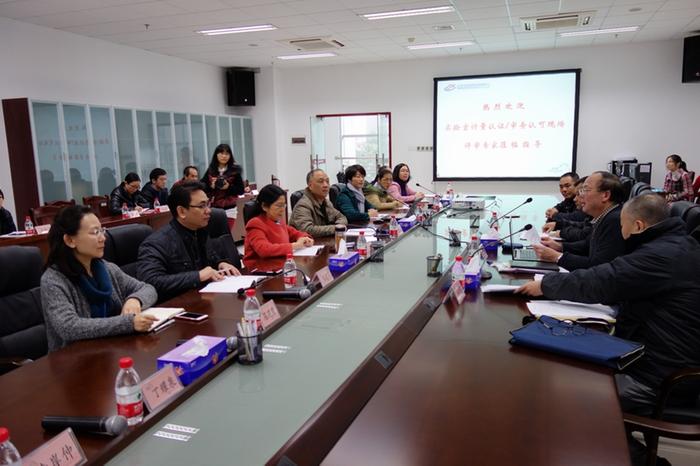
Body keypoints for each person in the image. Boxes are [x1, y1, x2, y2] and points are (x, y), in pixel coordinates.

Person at [517, 193, 700, 466]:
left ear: (638, 226)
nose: (621, 233)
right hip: (650, 356)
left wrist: (545, 285)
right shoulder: (676, 245)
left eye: (622, 226)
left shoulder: (662, 256)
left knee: (563, 402)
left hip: (660, 377)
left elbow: (604, 280)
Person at [40, 205, 158, 351]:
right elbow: (69, 327)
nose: (103, 238)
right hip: (74, 357)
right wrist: (127, 323)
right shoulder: (53, 280)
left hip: (112, 349)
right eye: (95, 232)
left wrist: (135, 299)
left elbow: (148, 288)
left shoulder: (106, 268)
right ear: (70, 240)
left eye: (102, 230)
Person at [137, 182, 241, 302]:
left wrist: (220, 264)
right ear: (181, 211)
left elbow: (210, 258)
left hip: (203, 300)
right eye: (202, 206)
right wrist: (198, 276)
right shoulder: (157, 243)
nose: (208, 210)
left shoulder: (200, 230)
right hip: (177, 306)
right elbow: (150, 282)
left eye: (208, 204)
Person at [534, 171, 625, 271]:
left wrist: (557, 257)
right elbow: (587, 245)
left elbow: (599, 267)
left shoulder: (614, 221)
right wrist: (559, 246)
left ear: (605, 195)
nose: (579, 196)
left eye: (585, 190)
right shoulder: (605, 216)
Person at [243, 184, 313, 271]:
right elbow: (264, 250)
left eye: (284, 205)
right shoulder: (255, 223)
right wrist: (295, 245)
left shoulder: (277, 220)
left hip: (279, 265)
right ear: (264, 206)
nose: (282, 209)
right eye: (279, 205)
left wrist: (305, 238)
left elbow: (295, 233)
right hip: (260, 271)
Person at [289, 169, 347, 236]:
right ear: (310, 186)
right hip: (309, 242)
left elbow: (341, 217)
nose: (326, 185)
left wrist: (338, 225)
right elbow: (307, 230)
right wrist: (335, 228)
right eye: (321, 181)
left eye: (327, 181)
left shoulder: (326, 202)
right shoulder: (303, 205)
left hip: (324, 240)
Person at [201, 144, 248, 209]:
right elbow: (202, 186)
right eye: (221, 153)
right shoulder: (211, 170)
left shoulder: (235, 171)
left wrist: (228, 187)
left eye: (227, 154)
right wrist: (211, 186)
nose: (224, 156)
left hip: (230, 207)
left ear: (230, 156)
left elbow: (241, 191)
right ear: (216, 155)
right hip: (213, 206)